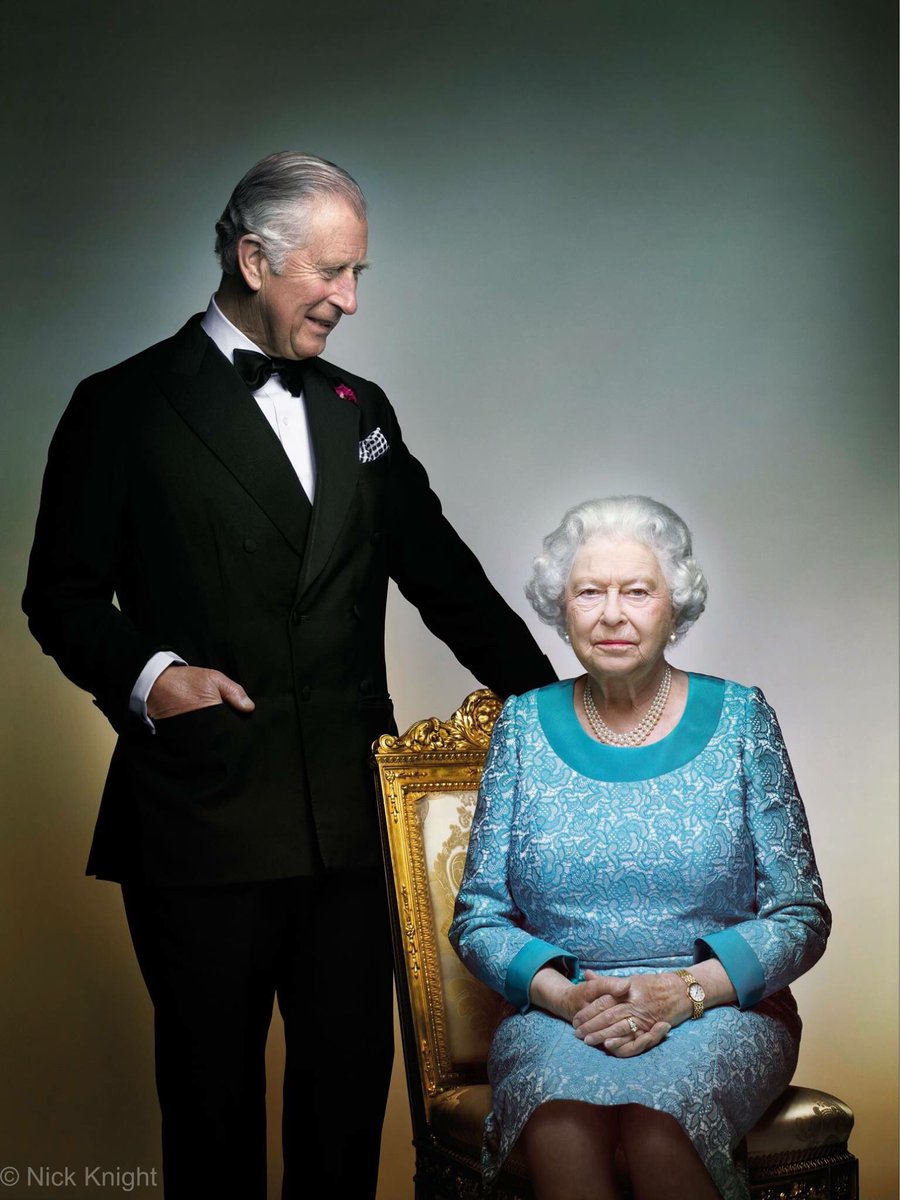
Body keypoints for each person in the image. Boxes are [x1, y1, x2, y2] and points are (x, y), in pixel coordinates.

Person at [23, 151, 556, 1200]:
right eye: (332, 273)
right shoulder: (121, 406)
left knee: (347, 1112)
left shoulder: (361, 406)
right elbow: (63, 596)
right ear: (254, 256)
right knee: (212, 1112)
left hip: (352, 829)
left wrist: (554, 710)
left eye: (361, 274)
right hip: (201, 815)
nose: (350, 300)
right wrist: (153, 673)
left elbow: (444, 578)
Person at [449, 495, 830, 1200]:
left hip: (721, 1011)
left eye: (637, 591)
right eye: (589, 592)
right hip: (562, 1011)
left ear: (673, 607)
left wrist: (687, 992)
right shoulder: (523, 727)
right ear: (561, 609)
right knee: (562, 1113)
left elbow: (800, 915)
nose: (612, 614)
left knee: (659, 1121)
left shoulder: (742, 718)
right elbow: (477, 917)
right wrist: (565, 998)